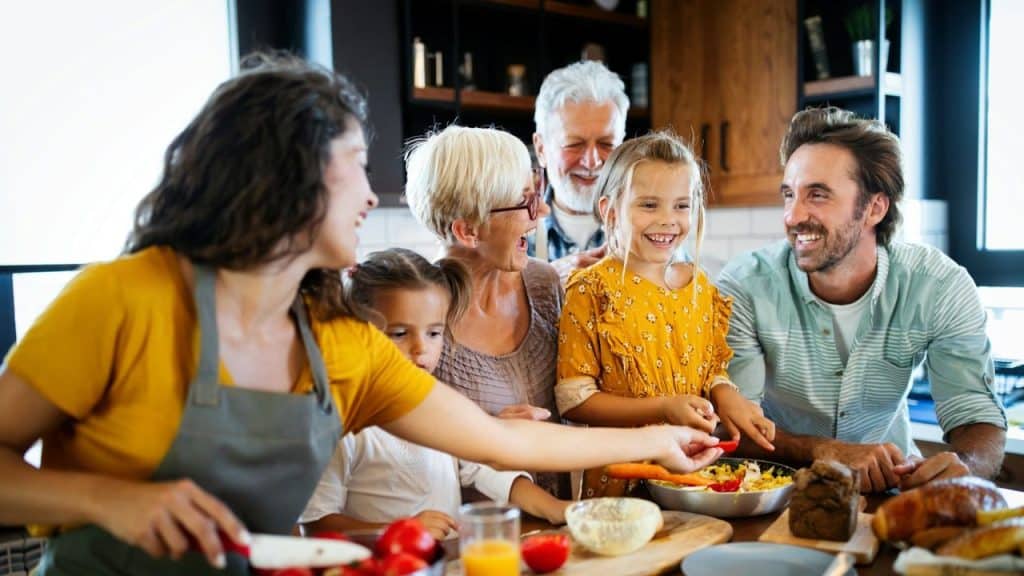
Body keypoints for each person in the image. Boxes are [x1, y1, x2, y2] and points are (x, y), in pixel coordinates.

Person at [0, 53, 726, 576]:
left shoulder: (338, 341)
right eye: (352, 163)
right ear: (285, 174)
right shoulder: (124, 300)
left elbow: (498, 443)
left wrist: (662, 438)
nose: (370, 195)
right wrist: (105, 500)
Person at [717, 107, 1007, 493]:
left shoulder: (940, 286)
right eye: (789, 195)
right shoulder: (744, 286)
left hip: (891, 491)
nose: (792, 216)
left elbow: (975, 414)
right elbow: (735, 426)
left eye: (817, 195)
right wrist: (826, 451)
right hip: (778, 491)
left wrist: (966, 468)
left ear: (875, 208)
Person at [557, 130, 776, 498]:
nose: (668, 220)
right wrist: (663, 408)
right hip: (623, 483)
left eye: (681, 205)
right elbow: (575, 401)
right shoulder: (590, 290)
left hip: (695, 474)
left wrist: (727, 395)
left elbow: (710, 370)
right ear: (609, 210)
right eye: (648, 205)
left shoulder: (699, 287)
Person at [300, 248, 569, 540]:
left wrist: (557, 509)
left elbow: (485, 469)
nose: (421, 349)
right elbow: (316, 522)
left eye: (433, 333)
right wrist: (398, 532)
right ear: (357, 333)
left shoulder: (439, 404)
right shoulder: (344, 424)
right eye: (399, 333)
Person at [404, 124, 572, 498]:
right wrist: (485, 432)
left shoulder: (545, 285)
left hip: (563, 528)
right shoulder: (416, 323)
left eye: (537, 192)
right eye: (526, 201)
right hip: (477, 539)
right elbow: (397, 455)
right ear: (468, 232)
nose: (542, 211)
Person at [530, 60, 629, 285]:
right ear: (541, 148)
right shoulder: (512, 235)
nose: (592, 161)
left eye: (607, 143)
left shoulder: (651, 229)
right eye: (574, 144)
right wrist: (541, 284)